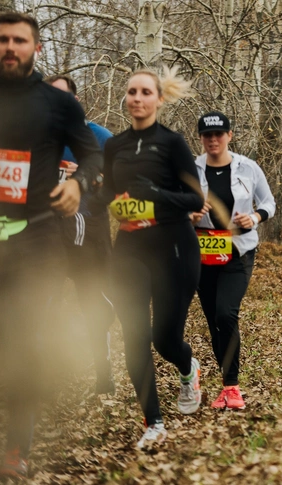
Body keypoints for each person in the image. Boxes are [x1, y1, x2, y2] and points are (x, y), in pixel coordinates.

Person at [0, 12, 103, 479]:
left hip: (35, 235)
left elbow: (95, 153)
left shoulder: (57, 105)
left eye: (19, 40)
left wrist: (80, 182)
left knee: (25, 340)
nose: (9, 47)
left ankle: (16, 448)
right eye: (1, 39)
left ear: (36, 48)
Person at [102, 66, 204, 449]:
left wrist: (155, 195)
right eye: (132, 92)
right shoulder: (114, 146)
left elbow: (195, 200)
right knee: (133, 336)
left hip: (173, 248)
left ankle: (187, 366)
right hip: (129, 247)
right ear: (126, 98)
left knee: (164, 339)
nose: (138, 98)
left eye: (146, 92)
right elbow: (109, 195)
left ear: (159, 99)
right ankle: (154, 422)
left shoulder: (173, 143)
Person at [190, 111, 276, 410]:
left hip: (238, 250)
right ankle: (226, 387)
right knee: (215, 321)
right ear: (200, 138)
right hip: (202, 252)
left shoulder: (248, 168)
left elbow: (268, 203)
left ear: (229, 135)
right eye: (207, 135)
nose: (213, 140)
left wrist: (254, 217)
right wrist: (188, 216)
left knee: (226, 314)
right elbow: (174, 205)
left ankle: (233, 386)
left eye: (219, 134)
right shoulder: (190, 169)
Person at [47, 74, 116, 394]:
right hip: (47, 231)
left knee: (93, 303)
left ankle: (104, 374)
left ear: (75, 102)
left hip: (91, 228)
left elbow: (122, 182)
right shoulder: (36, 138)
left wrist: (95, 179)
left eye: (63, 97)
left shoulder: (100, 137)